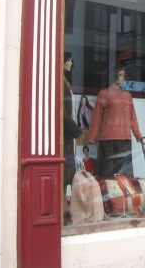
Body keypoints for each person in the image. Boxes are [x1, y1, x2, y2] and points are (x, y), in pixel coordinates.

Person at [88, 67, 142, 178]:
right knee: (107, 173)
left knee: (124, 173)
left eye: (124, 75)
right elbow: (96, 117)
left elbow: (132, 117)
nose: (123, 78)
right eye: (121, 75)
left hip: (125, 139)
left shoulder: (127, 96)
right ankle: (108, 194)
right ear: (114, 75)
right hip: (108, 140)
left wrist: (137, 134)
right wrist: (91, 137)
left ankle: (125, 195)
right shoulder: (104, 94)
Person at [63, 53, 82, 188]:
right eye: (69, 61)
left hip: (67, 132)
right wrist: (76, 130)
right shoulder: (59, 82)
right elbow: (60, 112)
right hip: (63, 133)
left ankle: (66, 204)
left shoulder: (65, 81)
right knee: (64, 173)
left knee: (67, 175)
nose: (71, 63)